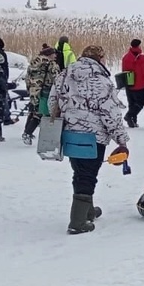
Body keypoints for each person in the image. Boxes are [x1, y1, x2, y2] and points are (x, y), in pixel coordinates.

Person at [48, 45, 130, 235]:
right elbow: (110, 113)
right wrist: (121, 141)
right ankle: (77, 222)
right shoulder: (101, 81)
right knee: (87, 175)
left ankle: (88, 211)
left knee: (80, 170)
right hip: (94, 136)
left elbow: (53, 101)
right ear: (100, 58)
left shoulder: (63, 76)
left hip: (69, 134)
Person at [21, 44, 59, 145]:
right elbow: (55, 78)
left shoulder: (33, 63)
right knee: (42, 113)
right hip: (45, 91)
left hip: (34, 90)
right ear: (49, 55)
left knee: (33, 110)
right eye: (53, 54)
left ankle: (27, 131)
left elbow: (27, 78)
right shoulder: (51, 64)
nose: (55, 55)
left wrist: (30, 89)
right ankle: (28, 133)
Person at [120, 39, 144, 128]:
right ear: (138, 46)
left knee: (132, 103)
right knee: (140, 102)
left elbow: (123, 71)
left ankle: (132, 122)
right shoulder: (141, 57)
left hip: (129, 83)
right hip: (139, 84)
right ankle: (129, 116)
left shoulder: (126, 57)